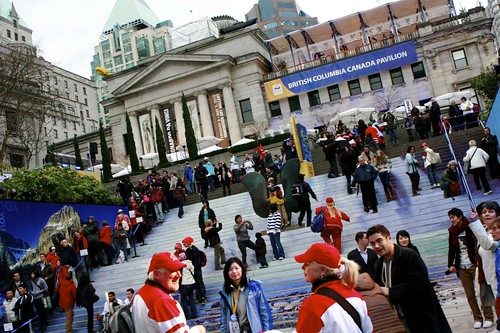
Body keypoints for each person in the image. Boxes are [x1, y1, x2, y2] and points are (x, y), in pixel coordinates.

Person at [367, 224, 451, 333]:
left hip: (421, 316)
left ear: (389, 238)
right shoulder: (378, 264)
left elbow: (420, 285)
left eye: (379, 241)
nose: (377, 246)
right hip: (399, 318)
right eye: (372, 244)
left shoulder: (409, 256)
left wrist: (390, 291)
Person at [294, 243, 373, 332]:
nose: (302, 267)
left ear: (322, 270)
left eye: (307, 264)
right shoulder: (355, 295)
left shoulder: (312, 304)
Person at [131, 252, 206, 333]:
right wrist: (198, 330)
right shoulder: (161, 301)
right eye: (173, 270)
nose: (179, 275)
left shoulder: (141, 293)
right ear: (157, 274)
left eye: (179, 270)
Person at [447, 208, 486, 329]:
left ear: (460, 217)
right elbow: (451, 249)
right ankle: (477, 318)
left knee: (483, 292)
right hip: (462, 267)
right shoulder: (452, 231)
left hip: (475, 264)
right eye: (450, 218)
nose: (452, 220)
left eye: (453, 217)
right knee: (470, 295)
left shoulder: (470, 227)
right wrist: (451, 264)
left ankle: (489, 317)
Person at [468, 201, 500, 331]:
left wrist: (475, 222)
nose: (487, 214)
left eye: (490, 211)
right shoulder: (487, 232)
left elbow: (487, 244)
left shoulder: (496, 234)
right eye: (484, 212)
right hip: (489, 276)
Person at [219, 257, 273, 333]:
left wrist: (267, 331)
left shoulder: (253, 287)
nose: (234, 271)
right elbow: (224, 318)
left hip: (254, 330)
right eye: (230, 269)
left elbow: (264, 311)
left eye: (236, 268)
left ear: (242, 269)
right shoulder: (225, 293)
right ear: (227, 273)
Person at [54, 259, 77, 333]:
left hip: (62, 302)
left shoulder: (61, 284)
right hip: (68, 303)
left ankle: (67, 325)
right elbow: (74, 295)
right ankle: (68, 330)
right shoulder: (71, 285)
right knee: (69, 317)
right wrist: (77, 301)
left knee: (71, 314)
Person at [183, 237, 207, 304]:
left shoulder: (195, 249)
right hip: (193, 270)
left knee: (200, 282)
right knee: (196, 284)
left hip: (197, 269)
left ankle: (203, 297)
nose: (184, 244)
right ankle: (198, 297)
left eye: (184, 243)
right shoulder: (187, 251)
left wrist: (195, 268)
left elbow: (197, 260)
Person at [178, 252, 198, 320]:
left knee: (184, 301)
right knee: (191, 299)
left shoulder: (181, 266)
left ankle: (187, 315)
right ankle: (194, 313)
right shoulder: (190, 263)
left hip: (184, 284)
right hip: (192, 283)